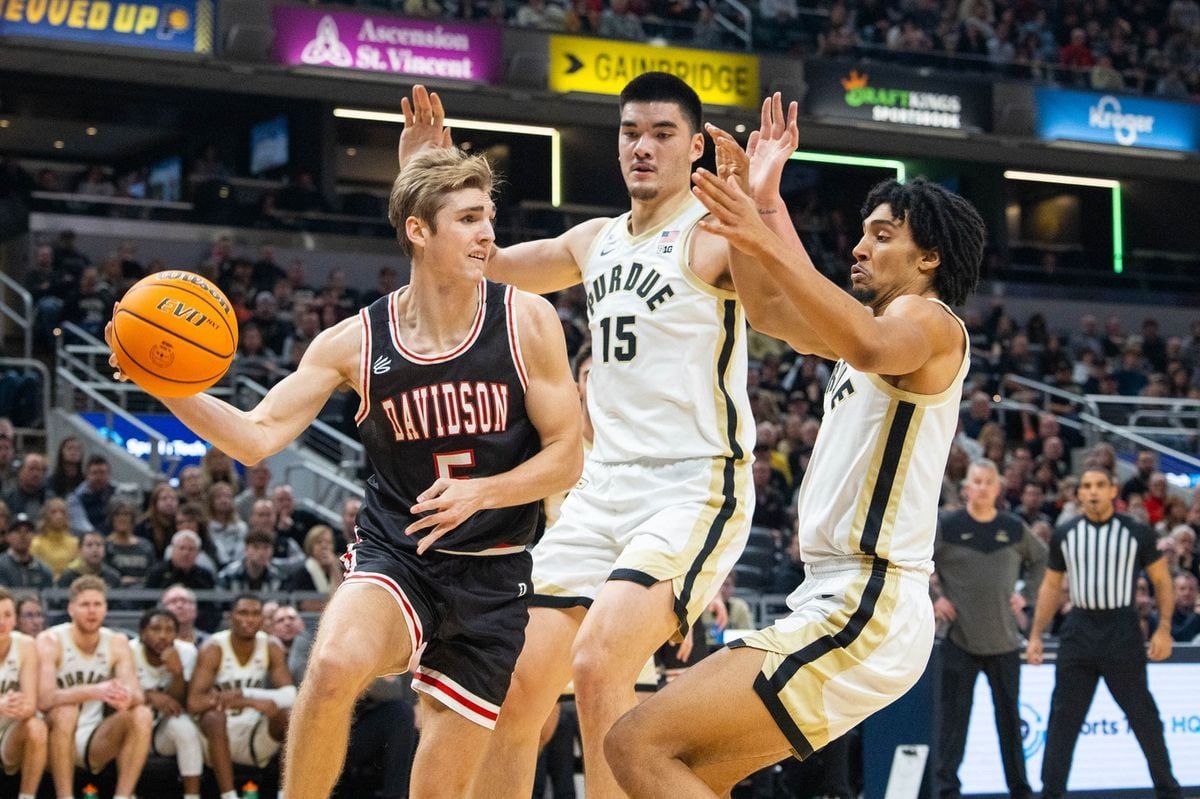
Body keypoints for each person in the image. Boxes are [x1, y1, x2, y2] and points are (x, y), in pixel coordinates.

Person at [108, 144, 582, 799]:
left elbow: (567, 453)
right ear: (420, 230)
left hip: (493, 574)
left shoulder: (526, 319)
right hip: (401, 555)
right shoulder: (355, 342)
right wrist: (159, 381)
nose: (489, 234)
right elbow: (256, 435)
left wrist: (486, 491)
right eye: (470, 218)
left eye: (489, 216)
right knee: (333, 665)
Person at [604, 94, 986, 794]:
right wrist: (761, 202)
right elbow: (771, 307)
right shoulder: (867, 332)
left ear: (928, 255)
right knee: (681, 768)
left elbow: (867, 341)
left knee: (636, 741)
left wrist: (757, 226)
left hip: (868, 599)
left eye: (880, 235)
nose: (859, 247)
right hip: (836, 596)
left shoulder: (929, 325)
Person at [399, 76, 759, 798]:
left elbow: (776, 291)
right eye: (630, 132)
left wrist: (760, 208)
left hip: (692, 482)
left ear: (695, 147)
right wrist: (426, 185)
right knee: (511, 680)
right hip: (604, 490)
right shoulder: (595, 240)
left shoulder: (713, 235)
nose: (643, 146)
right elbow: (485, 263)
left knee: (598, 663)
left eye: (661, 133)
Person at [1026, 466, 1181, 799]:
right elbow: (1051, 587)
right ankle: (1050, 794)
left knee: (1144, 717)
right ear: (1079, 493)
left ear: (1113, 491)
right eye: (1086, 486)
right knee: (1062, 721)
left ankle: (1169, 791)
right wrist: (1036, 635)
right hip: (1078, 629)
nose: (1092, 491)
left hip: (1122, 629)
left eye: (1099, 485)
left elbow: (1162, 581)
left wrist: (1164, 628)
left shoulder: (1138, 532)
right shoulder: (1065, 533)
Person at [932, 459, 1046, 799]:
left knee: (1011, 722)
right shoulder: (946, 525)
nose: (981, 487)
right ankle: (947, 789)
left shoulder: (1013, 528)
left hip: (1005, 641)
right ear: (966, 487)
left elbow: (1042, 559)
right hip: (958, 639)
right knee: (954, 723)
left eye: (988, 482)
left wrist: (1025, 596)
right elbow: (913, 560)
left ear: (998, 489)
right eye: (976, 481)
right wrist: (934, 596)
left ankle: (1020, 789)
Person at [37, 576, 152, 799]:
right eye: (85, 605)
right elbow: (44, 699)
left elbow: (137, 694)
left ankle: (124, 796)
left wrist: (125, 696)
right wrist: (94, 691)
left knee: (142, 714)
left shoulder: (117, 642)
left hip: (94, 738)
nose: (92, 611)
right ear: (71, 609)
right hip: (51, 739)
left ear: (106, 609)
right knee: (66, 711)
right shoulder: (51, 640)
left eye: (97, 605)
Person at [187, 594, 294, 799]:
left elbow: (290, 695)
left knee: (289, 716)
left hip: (253, 733)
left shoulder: (271, 646)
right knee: (213, 717)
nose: (249, 619)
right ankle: (229, 795)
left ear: (263, 620)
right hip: (216, 737)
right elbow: (193, 702)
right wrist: (253, 701)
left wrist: (246, 696)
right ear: (230, 617)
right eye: (243, 612)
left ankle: (286, 793)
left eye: (255, 614)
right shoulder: (214, 647)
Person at [131, 608, 203, 799]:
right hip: (132, 728)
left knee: (185, 728)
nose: (163, 635)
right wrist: (148, 696)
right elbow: (116, 702)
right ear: (142, 632)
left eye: (169, 630)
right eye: (155, 629)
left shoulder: (187, 652)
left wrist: (177, 674)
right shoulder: (129, 652)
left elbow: (182, 705)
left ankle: (192, 796)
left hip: (163, 731)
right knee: (135, 718)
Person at [0, 587, 48, 799]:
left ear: (15, 620)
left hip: (9, 733)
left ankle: (27, 796)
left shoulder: (26, 645)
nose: (1, 621)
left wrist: (20, 706)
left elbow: (30, 703)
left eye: (7, 615)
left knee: (36, 727)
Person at [0, 514, 54, 589]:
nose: (23, 535)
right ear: (7, 536)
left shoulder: (43, 570)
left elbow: (48, 598)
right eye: (17, 531)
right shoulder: (1, 565)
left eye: (28, 531)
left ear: (34, 536)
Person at [56, 529, 123, 588]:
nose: (95, 549)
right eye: (89, 545)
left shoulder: (113, 577)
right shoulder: (68, 577)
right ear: (79, 550)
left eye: (98, 545)